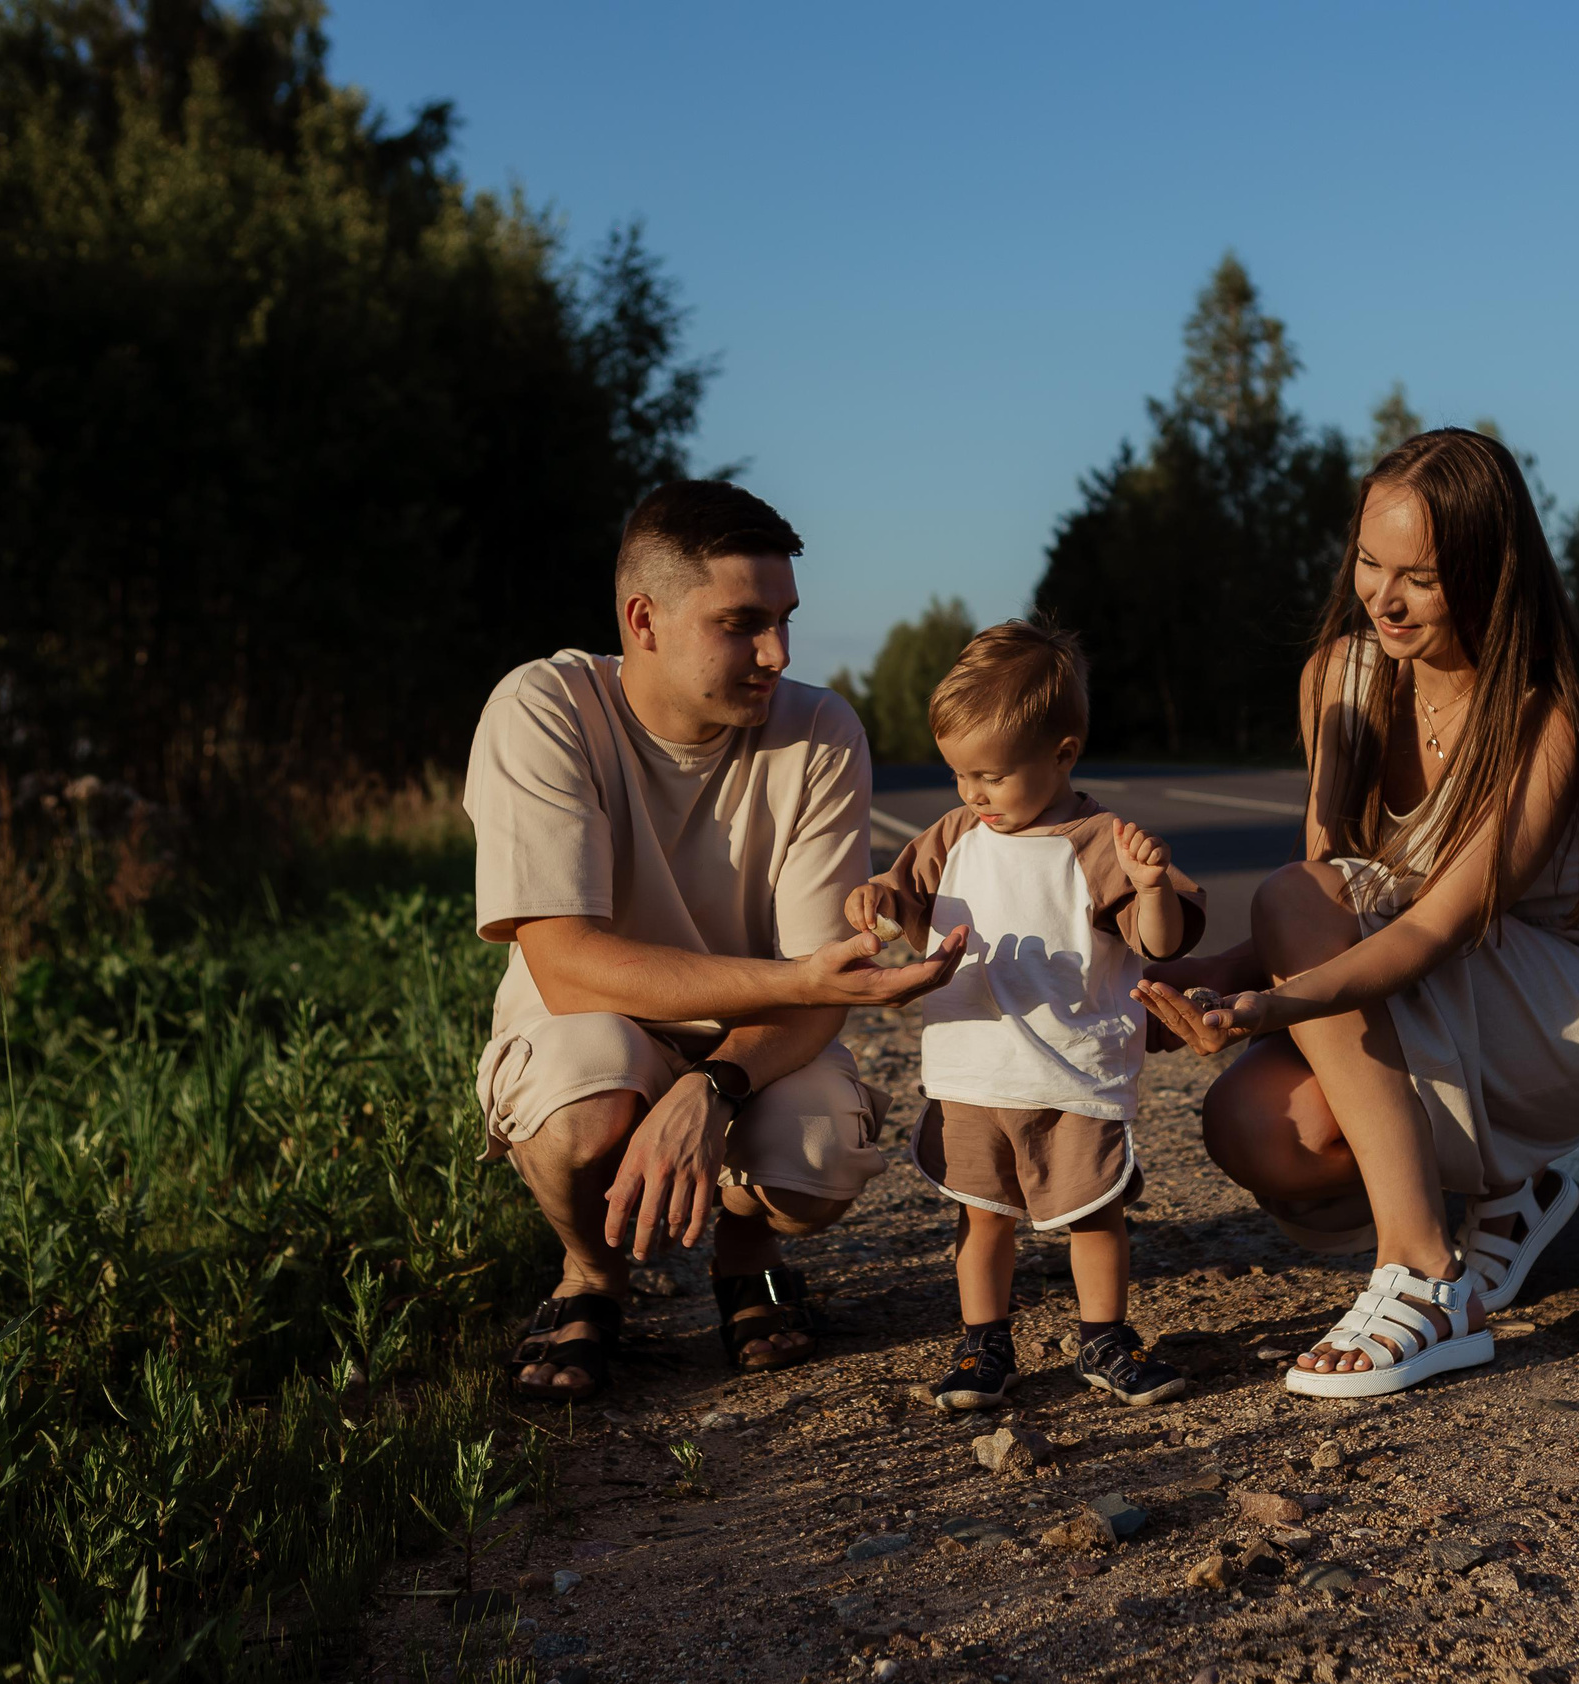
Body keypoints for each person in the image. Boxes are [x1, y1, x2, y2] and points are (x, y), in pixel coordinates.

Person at [1134, 428, 1579, 1400]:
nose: (1381, 600)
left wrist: (1267, 1007)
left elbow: (1429, 929)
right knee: (1257, 1128)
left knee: (1288, 913)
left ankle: (1427, 1276)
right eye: (1367, 563)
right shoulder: (1339, 678)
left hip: (1548, 997)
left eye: (1419, 578)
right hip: (1420, 966)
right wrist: (1213, 979)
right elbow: (1326, 888)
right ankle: (1509, 1194)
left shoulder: (1545, 718)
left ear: (1488, 572)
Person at [466, 480, 969, 1399]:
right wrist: (796, 987)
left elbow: (822, 990)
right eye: (742, 623)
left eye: (784, 619)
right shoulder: (543, 708)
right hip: (595, 1025)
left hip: (756, 1044)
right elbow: (566, 963)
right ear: (644, 618)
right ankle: (590, 1276)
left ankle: (750, 1257)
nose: (777, 652)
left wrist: (712, 1084)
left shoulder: (820, 731)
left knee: (816, 1154)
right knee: (588, 1092)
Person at [848, 622, 1207, 1409]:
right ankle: (984, 1345)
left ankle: (1105, 1337)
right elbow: (907, 904)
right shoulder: (953, 836)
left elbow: (1161, 940)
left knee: (1093, 1214)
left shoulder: (1098, 842)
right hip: (974, 1074)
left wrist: (1150, 888)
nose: (972, 794)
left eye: (991, 776)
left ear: (1063, 755)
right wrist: (878, 898)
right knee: (983, 1222)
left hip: (1071, 1072)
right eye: (959, 775)